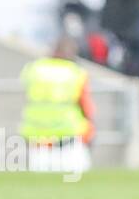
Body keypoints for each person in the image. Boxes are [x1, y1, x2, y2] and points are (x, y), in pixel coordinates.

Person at [19, 38, 95, 177]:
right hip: (69, 140)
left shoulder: (34, 69)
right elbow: (87, 107)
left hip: (38, 140)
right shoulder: (75, 73)